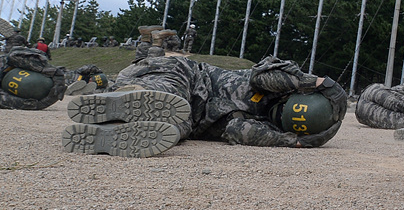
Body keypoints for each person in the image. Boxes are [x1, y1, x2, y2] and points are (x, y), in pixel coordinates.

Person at [62, 55, 347, 158]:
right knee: (167, 94)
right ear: (293, 97)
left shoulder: (261, 128)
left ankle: (107, 131)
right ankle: (124, 97)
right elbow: (263, 72)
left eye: (283, 120)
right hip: (183, 75)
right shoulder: (271, 82)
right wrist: (310, 81)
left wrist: (291, 142)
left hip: (189, 114)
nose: (275, 115)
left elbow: (238, 130)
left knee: (172, 128)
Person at [0, 26, 67, 110]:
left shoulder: (14, 57)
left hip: (11, 60)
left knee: (14, 55)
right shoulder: (17, 48)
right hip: (13, 62)